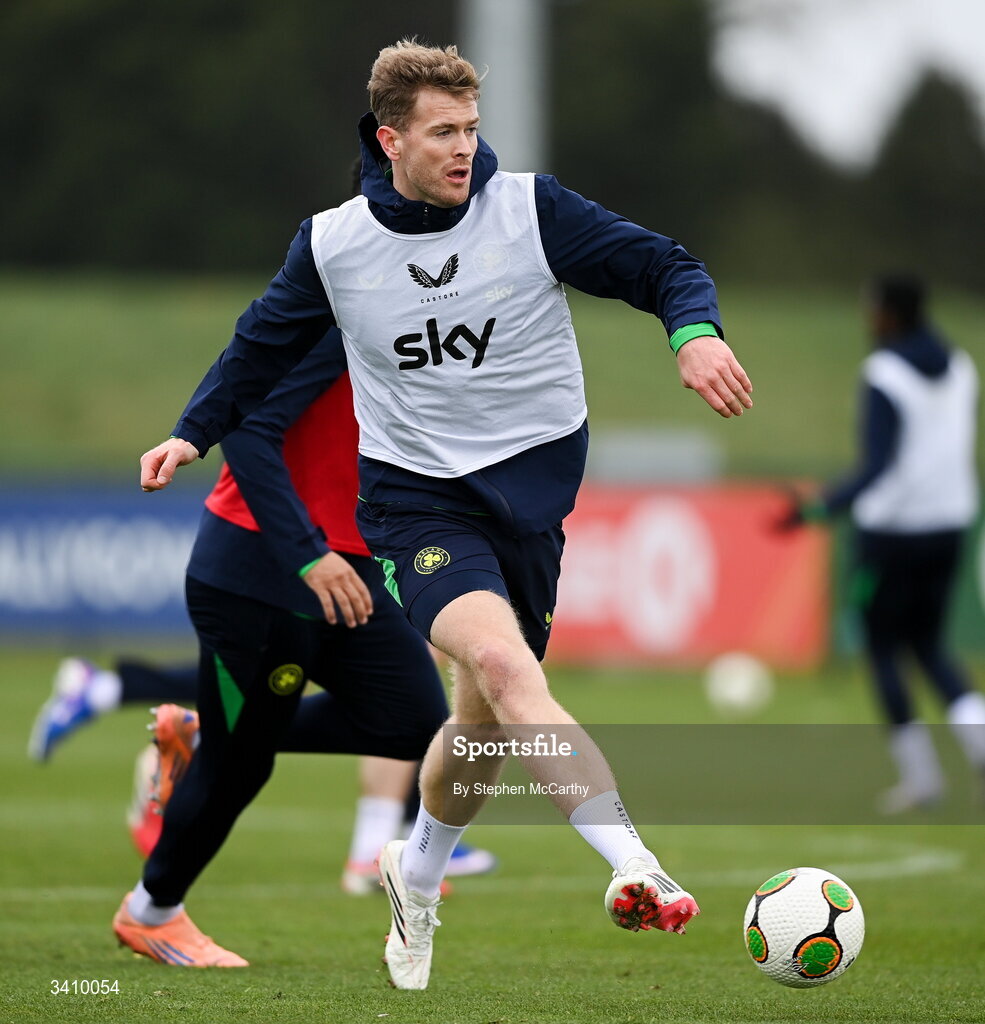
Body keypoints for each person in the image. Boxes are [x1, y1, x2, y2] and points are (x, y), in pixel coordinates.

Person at [138, 39, 753, 989]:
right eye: (441, 133)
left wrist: (694, 333)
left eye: (470, 128)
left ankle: (413, 872)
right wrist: (192, 433)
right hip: (414, 503)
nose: (464, 147)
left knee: (478, 724)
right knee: (503, 669)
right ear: (389, 140)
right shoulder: (334, 244)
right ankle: (636, 865)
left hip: (531, 504)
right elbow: (257, 347)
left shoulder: (531, 211)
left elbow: (661, 266)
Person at [113, 329, 456, 966]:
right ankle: (151, 912)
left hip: (349, 564)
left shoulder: (420, 322)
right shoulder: (336, 317)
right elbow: (247, 428)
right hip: (260, 571)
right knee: (239, 767)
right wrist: (307, 553)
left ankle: (202, 732)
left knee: (419, 725)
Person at [780, 274, 985, 813]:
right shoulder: (961, 365)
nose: (866, 317)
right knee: (931, 646)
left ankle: (922, 779)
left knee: (882, 649)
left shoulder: (884, 372)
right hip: (950, 523)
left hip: (891, 536)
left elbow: (877, 466)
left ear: (891, 314)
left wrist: (818, 508)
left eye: (871, 307)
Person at [29, 656, 495, 888]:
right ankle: (386, 841)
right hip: (315, 541)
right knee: (296, 670)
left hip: (335, 537)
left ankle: (394, 835)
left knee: (384, 683)